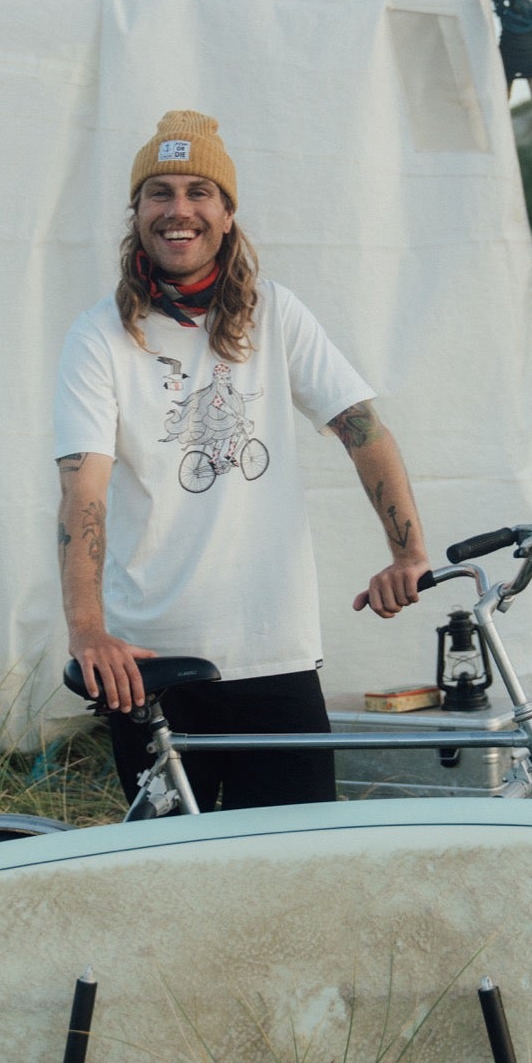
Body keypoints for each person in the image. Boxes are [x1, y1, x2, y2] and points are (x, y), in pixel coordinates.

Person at [53, 109, 429, 810]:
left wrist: (408, 552)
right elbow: (84, 491)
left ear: (226, 214)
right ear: (136, 213)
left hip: (273, 647)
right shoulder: (98, 337)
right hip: (150, 664)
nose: (178, 210)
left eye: (198, 192)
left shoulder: (273, 314)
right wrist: (86, 632)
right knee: (169, 877)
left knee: (293, 864)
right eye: (158, 192)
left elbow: (362, 428)